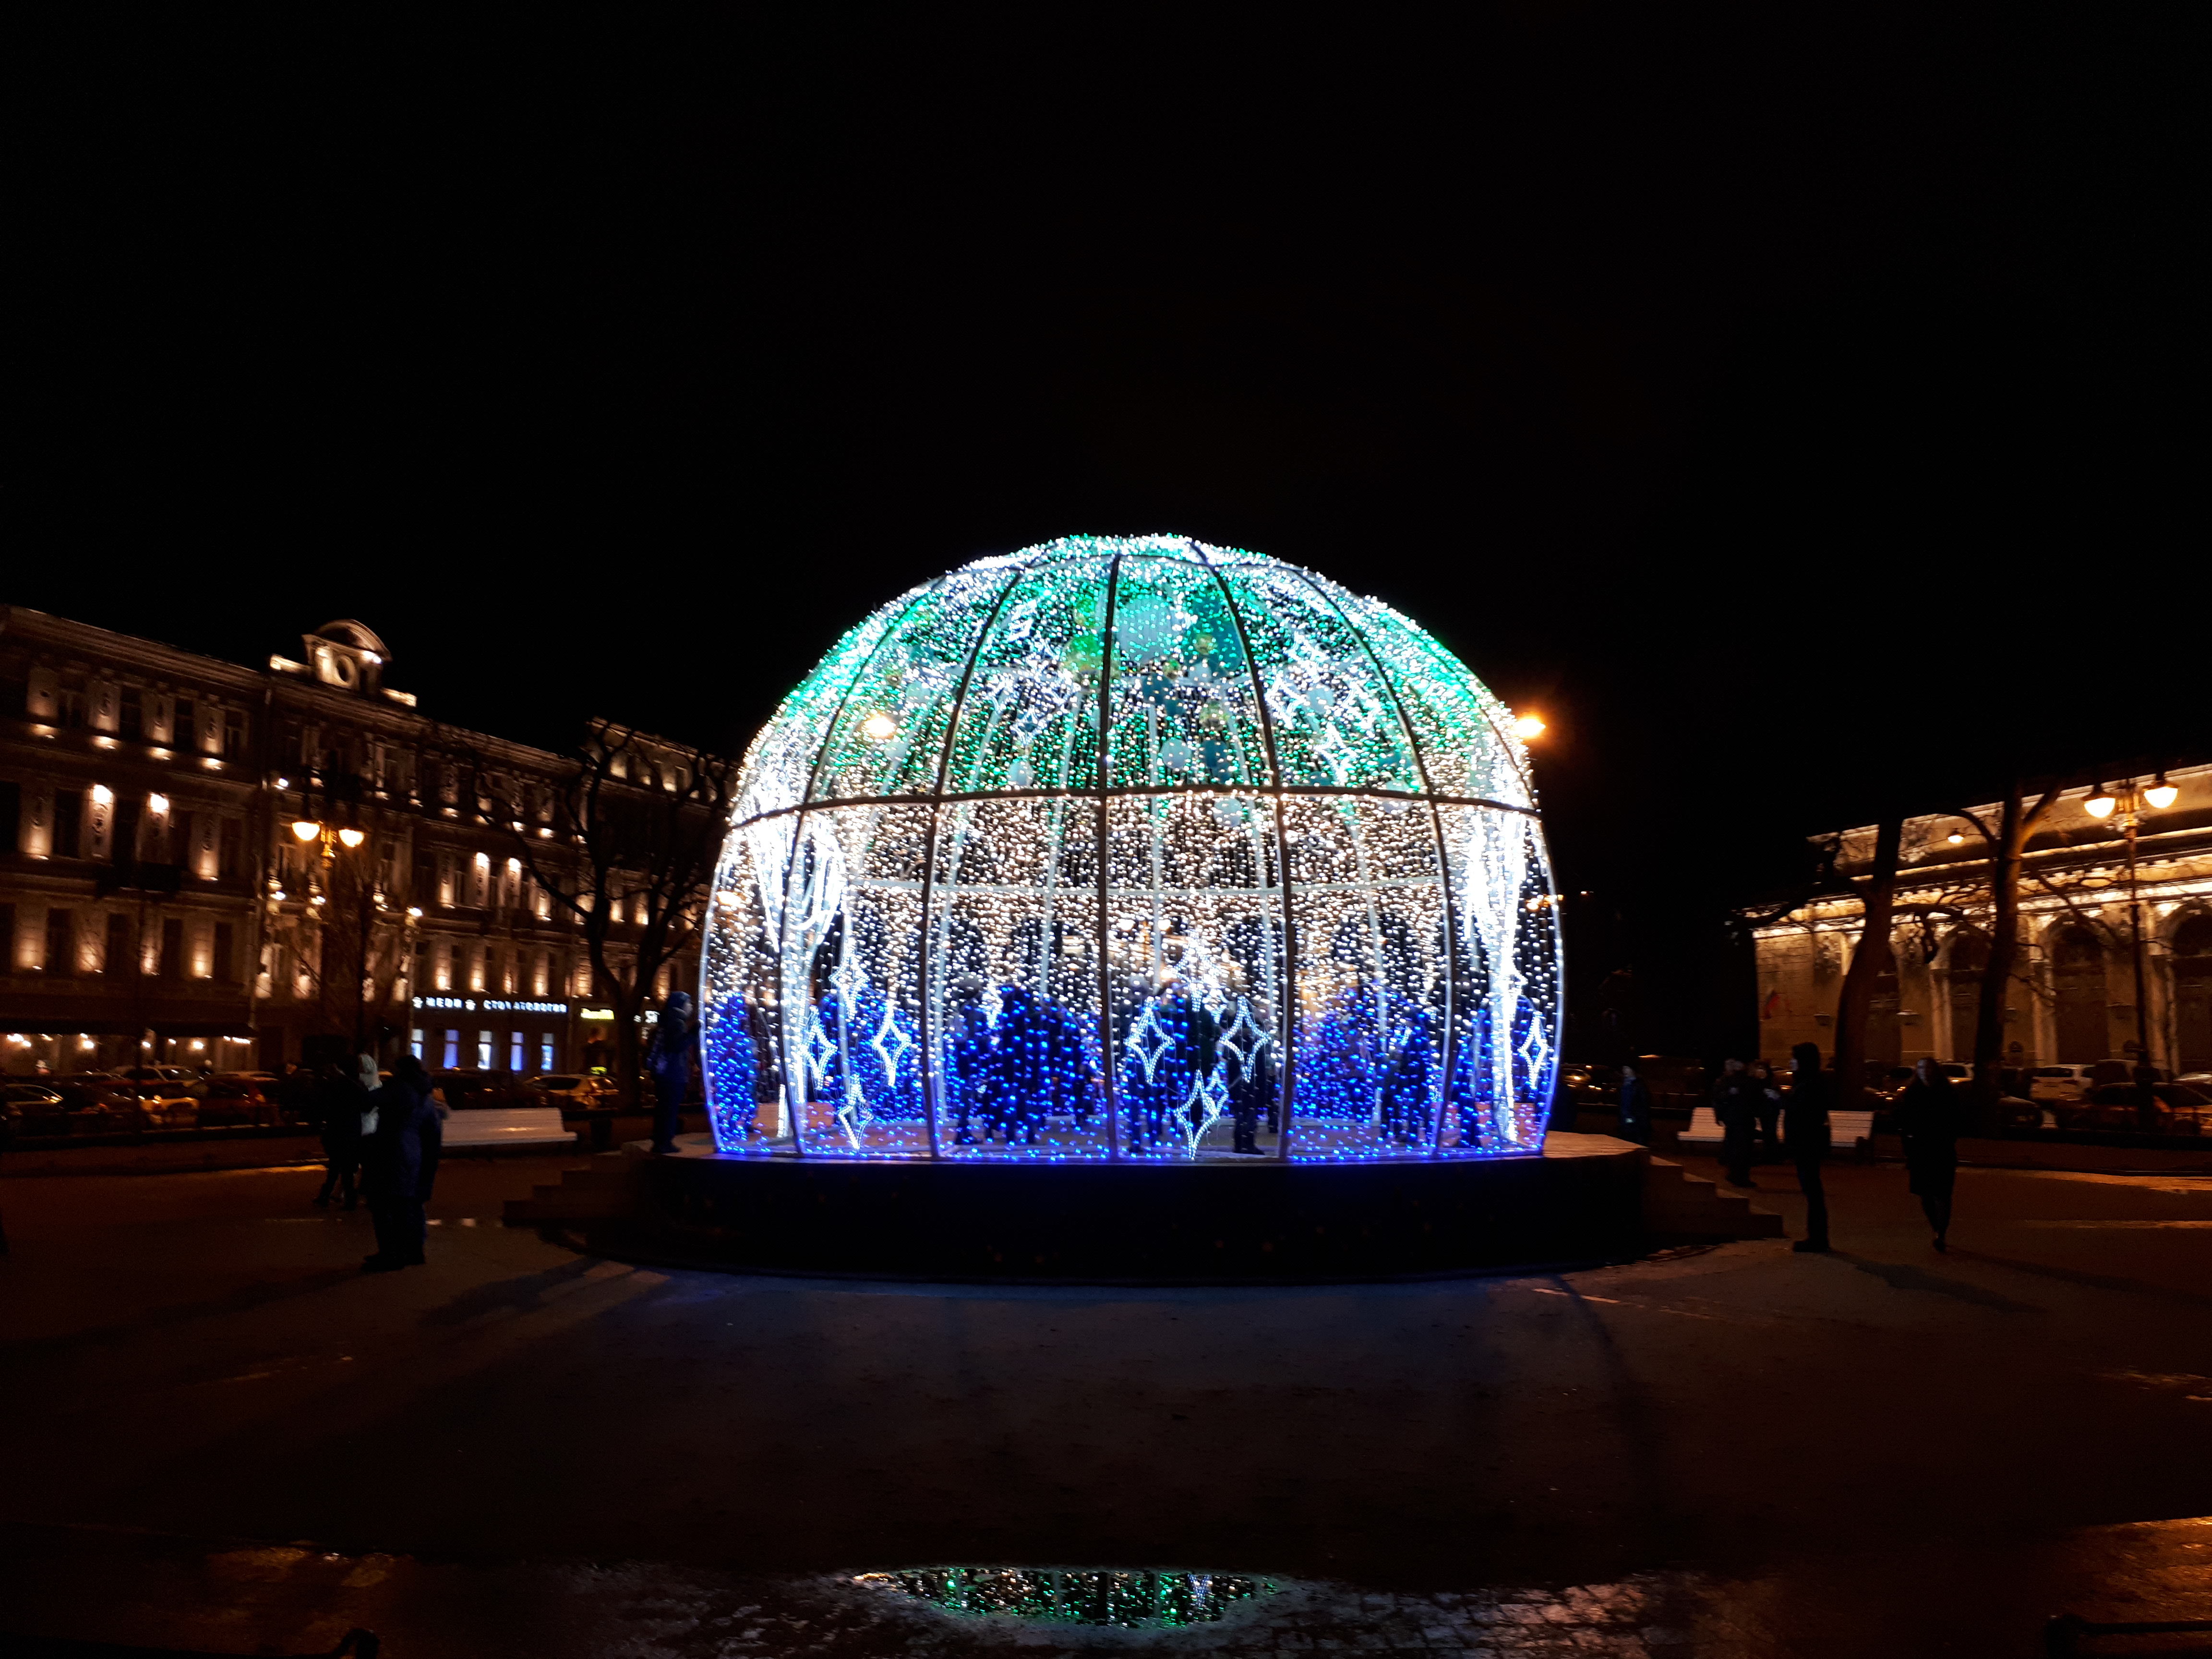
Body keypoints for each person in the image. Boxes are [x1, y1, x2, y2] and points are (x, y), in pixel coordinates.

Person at [359, 1054, 441, 1272]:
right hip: (413, 1151)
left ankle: (391, 1254)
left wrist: (369, 1082)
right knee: (407, 1205)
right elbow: (433, 1128)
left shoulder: (400, 1089)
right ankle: (412, 1251)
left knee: (384, 1204)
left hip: (391, 1150)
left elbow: (367, 1101)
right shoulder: (425, 1095)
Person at [1895, 1055, 1962, 1250]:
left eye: (1929, 1068)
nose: (1926, 1072)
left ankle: (1941, 1232)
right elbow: (1904, 1121)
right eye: (1922, 1068)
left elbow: (1955, 1120)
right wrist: (1907, 1145)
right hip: (1920, 1151)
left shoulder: (1947, 1093)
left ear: (1936, 1071)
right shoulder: (1912, 1093)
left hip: (1941, 1149)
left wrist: (1948, 1137)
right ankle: (1936, 1227)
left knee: (1942, 1193)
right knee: (1925, 1194)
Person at [1785, 1041, 1832, 1253]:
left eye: (1794, 1058)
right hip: (1807, 1143)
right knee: (1812, 1190)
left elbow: (1804, 1114)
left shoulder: (1810, 1084)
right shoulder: (1808, 1082)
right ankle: (1817, 1236)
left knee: (1812, 1190)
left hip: (1807, 1144)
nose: (1790, 1062)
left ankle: (1818, 1238)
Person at [311, 1059, 365, 1209]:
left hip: (338, 1129)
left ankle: (331, 1196)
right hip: (352, 1129)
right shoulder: (357, 1084)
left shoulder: (338, 1084)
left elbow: (324, 1104)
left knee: (337, 1166)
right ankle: (345, 1199)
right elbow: (365, 1103)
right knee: (345, 1167)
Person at [646, 992, 696, 1155]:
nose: (691, 1007)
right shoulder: (677, 1022)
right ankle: (664, 1142)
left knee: (663, 1107)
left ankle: (660, 1140)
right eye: (689, 1004)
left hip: (663, 1072)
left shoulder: (667, 1020)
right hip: (672, 1073)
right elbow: (677, 1046)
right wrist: (693, 1034)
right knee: (669, 1109)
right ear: (681, 1005)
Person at [1711, 1058, 1762, 1187]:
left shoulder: (1728, 1081)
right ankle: (1740, 1177)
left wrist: (1722, 1116)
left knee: (1736, 1149)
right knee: (1743, 1150)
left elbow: (1720, 1100)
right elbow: (1756, 1101)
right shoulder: (1748, 1081)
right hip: (1743, 1120)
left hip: (1735, 1120)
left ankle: (1735, 1174)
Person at [1750, 1060, 1783, 1159]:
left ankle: (1772, 1154)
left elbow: (1777, 1094)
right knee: (1767, 1131)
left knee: (1771, 1131)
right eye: (1759, 1069)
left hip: (1771, 1110)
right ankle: (1770, 1153)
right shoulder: (1756, 1081)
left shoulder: (1771, 1080)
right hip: (1763, 1110)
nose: (1760, 1071)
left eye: (1762, 1069)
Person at [1615, 1063, 1653, 1144]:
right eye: (1624, 1068)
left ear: (1633, 1070)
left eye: (1627, 1068)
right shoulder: (1625, 1085)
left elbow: (1643, 1105)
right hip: (1626, 1120)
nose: (1625, 1071)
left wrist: (1631, 1120)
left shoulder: (1638, 1086)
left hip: (1634, 1122)